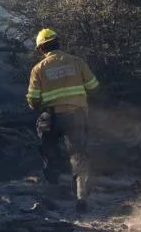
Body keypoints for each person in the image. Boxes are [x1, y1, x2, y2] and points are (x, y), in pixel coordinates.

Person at [26, 28, 100, 211]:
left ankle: (53, 192)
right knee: (78, 154)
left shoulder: (38, 69)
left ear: (41, 49)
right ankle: (81, 196)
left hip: (51, 117)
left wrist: (42, 103)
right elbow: (94, 87)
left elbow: (33, 100)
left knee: (49, 151)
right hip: (76, 115)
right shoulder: (77, 62)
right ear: (58, 43)